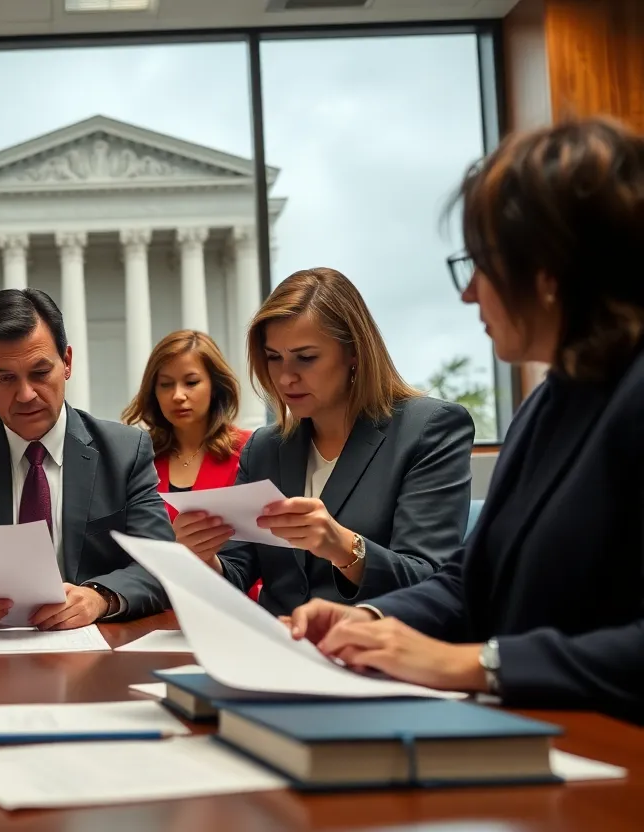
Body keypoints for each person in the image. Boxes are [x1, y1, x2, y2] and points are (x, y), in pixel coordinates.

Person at [286, 118, 644, 724]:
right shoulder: (549, 403)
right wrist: (370, 619)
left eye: (481, 265)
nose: (468, 293)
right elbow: (469, 582)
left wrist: (479, 664)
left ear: (548, 271)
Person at [182, 268, 474, 617]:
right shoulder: (264, 448)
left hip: (374, 642)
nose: (285, 378)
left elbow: (430, 581)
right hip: (275, 641)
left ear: (354, 352)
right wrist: (203, 557)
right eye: (274, 357)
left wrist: (346, 548)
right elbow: (237, 570)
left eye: (306, 358)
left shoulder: (429, 429)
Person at [0, 288, 175, 632]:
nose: (26, 395)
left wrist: (99, 598)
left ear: (67, 362)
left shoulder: (124, 451)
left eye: (39, 372)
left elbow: (160, 565)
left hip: (94, 646)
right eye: (6, 378)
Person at [121, 329, 259, 600]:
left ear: (215, 386)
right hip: (155, 606)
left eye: (191, 382)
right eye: (165, 384)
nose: (178, 395)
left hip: (235, 602)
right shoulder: (137, 456)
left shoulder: (250, 449)